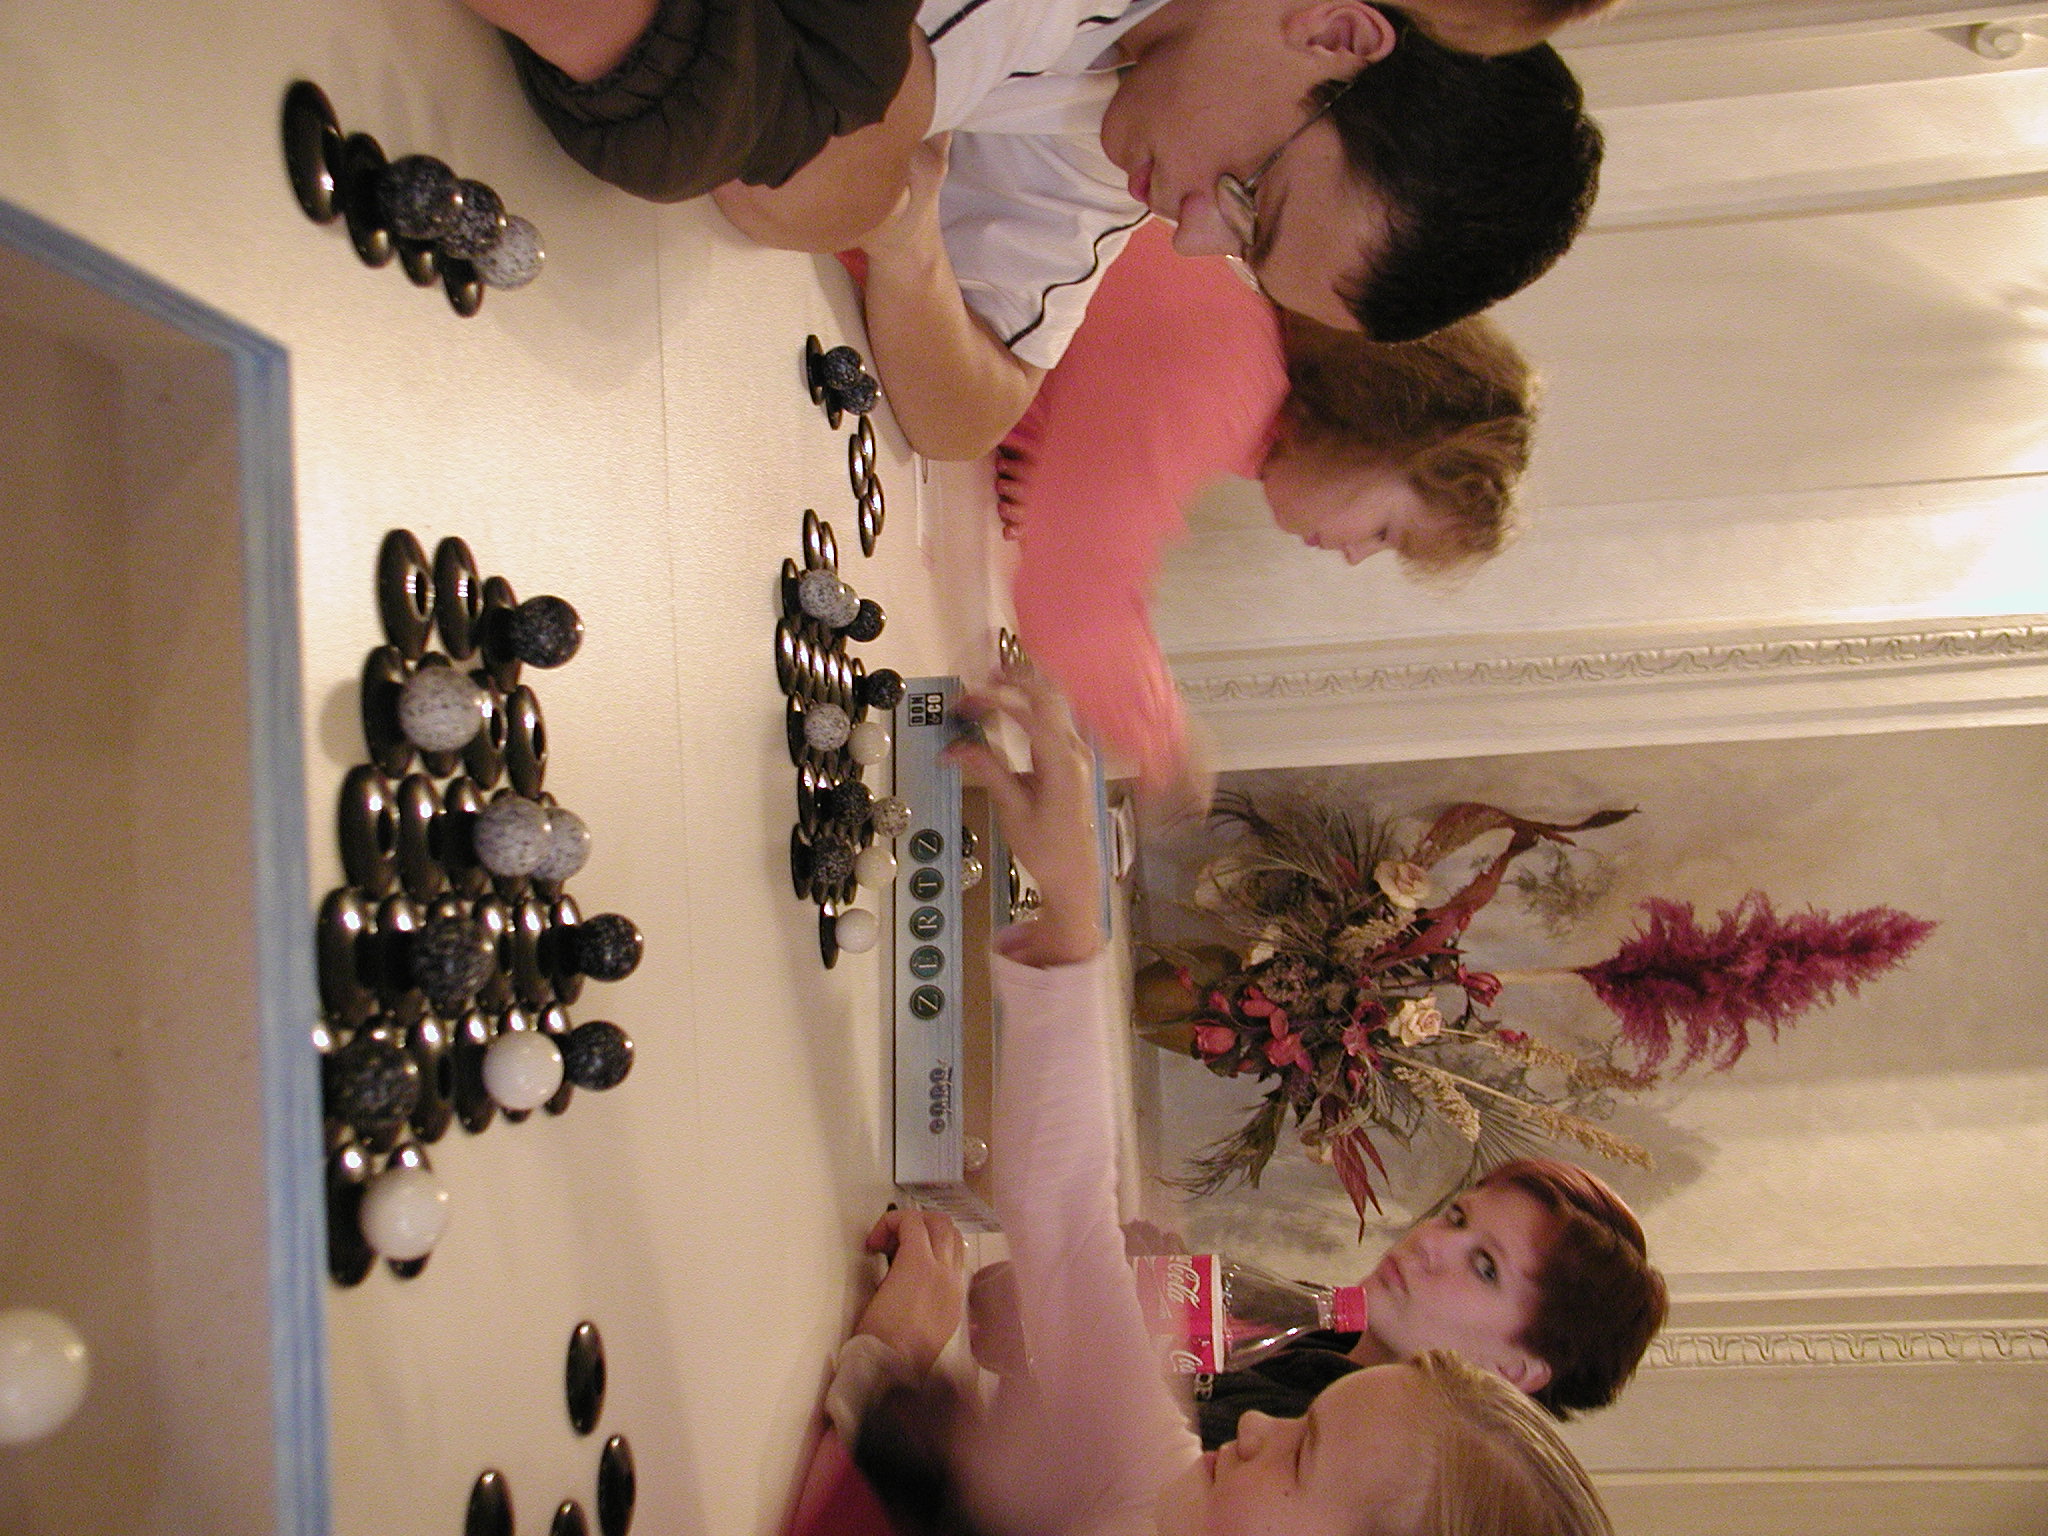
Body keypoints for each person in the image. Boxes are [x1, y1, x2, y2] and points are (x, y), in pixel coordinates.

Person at [807, 667, 1616, 1536]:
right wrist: (1072, 909)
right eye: (1304, 1423)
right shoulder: (1175, 1483)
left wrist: (891, 1368)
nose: (1260, 1424)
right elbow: (1068, 1222)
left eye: (1302, 1455)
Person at [461, 0, 1605, 457]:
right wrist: (864, 168)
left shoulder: (1140, 112)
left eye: (1239, 255)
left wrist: (901, 231)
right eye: (1251, 203)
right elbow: (770, 172)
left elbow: (970, 415)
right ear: (1334, 36)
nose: (1192, 236)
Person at [985, 216, 1532, 814]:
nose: (1355, 554)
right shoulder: (1222, 383)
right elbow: (1074, 592)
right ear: (1370, 436)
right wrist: (1167, 741)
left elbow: (1065, 393)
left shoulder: (1248, 355)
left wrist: (1044, 464)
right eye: (1384, 532)